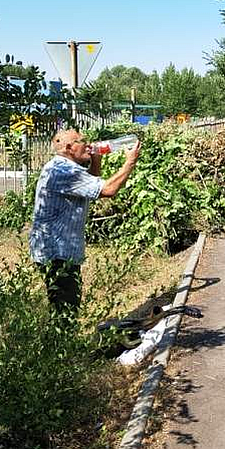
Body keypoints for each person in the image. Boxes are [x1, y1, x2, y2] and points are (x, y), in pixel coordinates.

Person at [29, 129, 140, 315]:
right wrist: (130, 161)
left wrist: (95, 159)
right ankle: (62, 343)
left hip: (56, 250)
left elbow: (89, 186)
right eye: (83, 142)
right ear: (70, 148)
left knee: (65, 306)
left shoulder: (61, 167)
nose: (89, 145)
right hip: (57, 254)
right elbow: (108, 190)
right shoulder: (64, 172)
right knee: (66, 312)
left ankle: (62, 341)